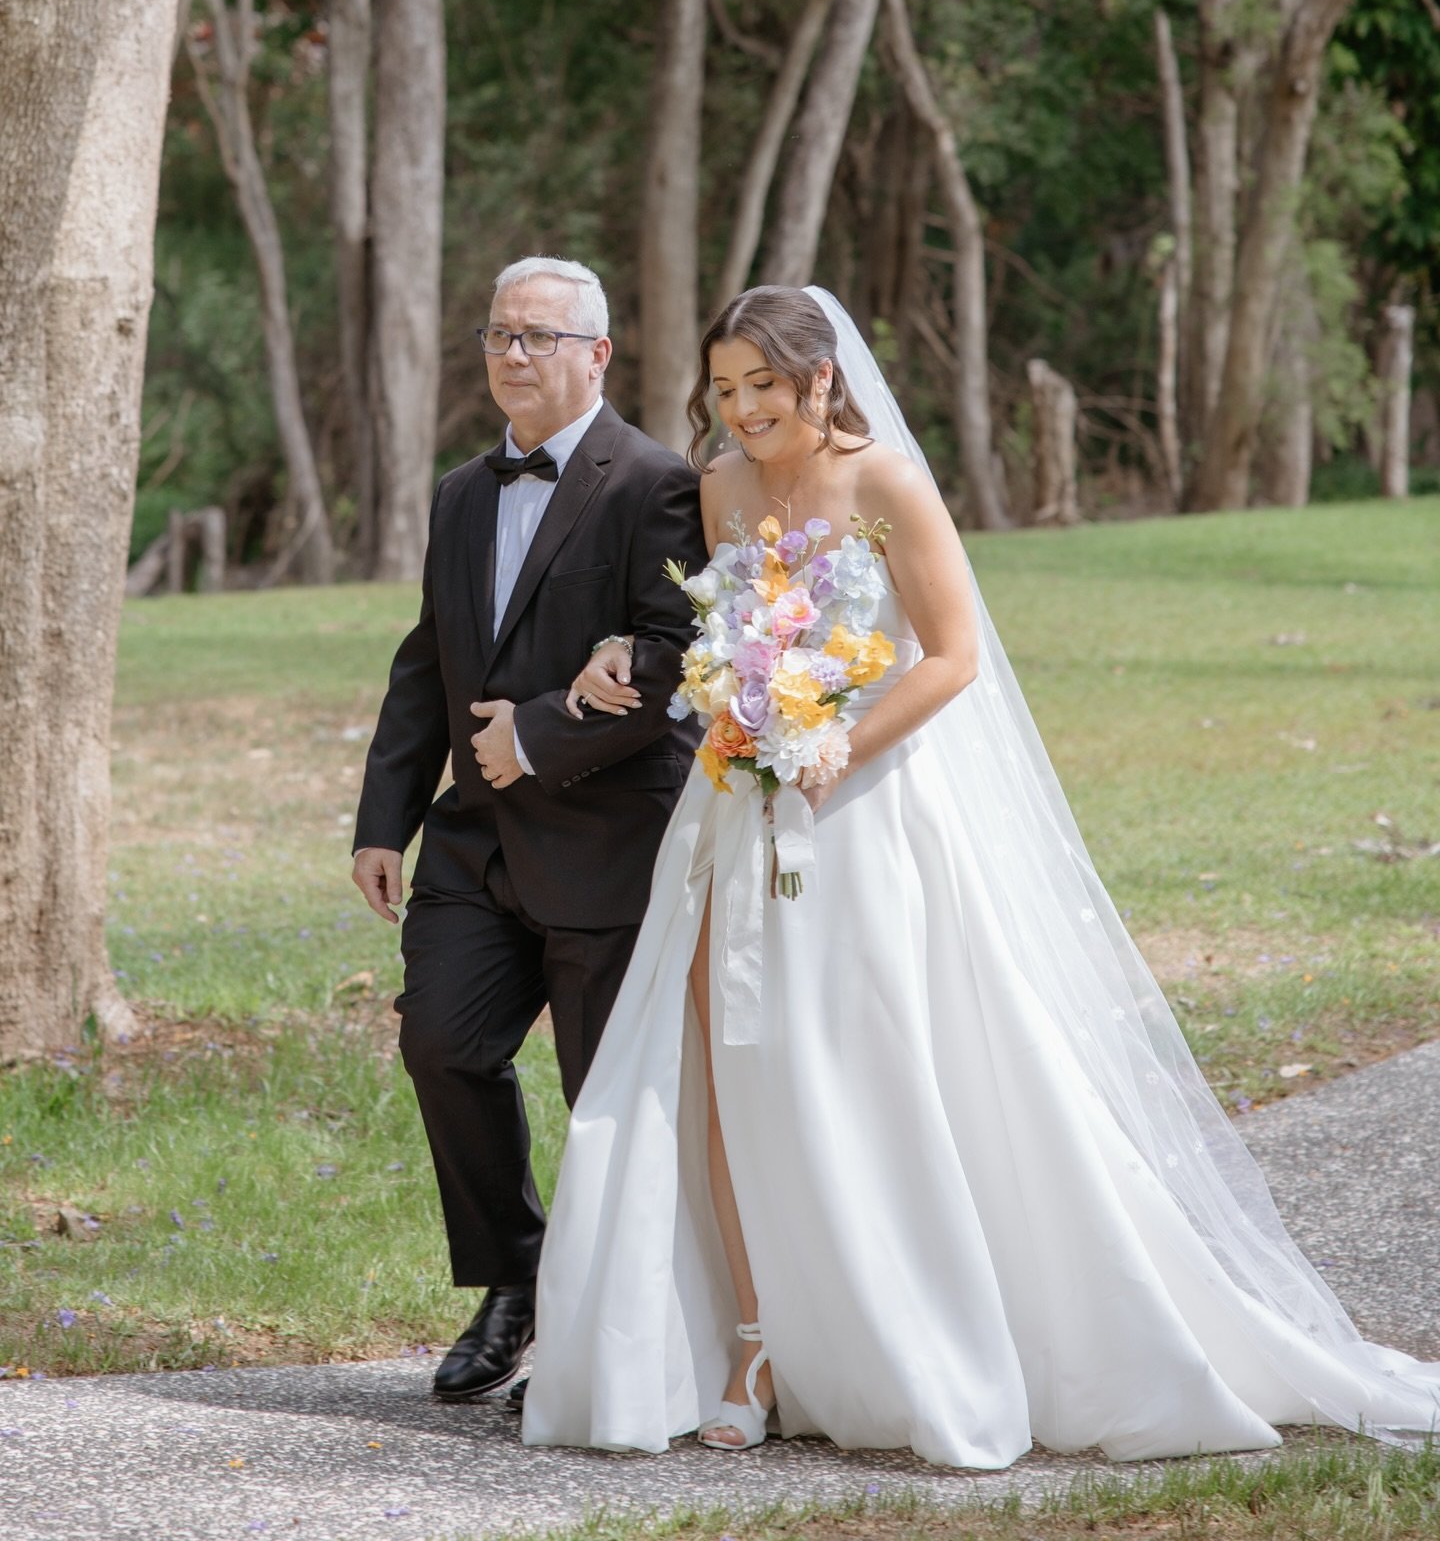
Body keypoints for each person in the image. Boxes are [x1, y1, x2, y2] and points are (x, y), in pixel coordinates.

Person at [519, 283, 1440, 1466]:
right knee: (721, 1062)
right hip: (737, 804)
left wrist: (834, 739)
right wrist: (712, 692)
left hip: (864, 805)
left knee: (864, 1061)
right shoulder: (723, 488)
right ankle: (755, 1344)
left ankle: (915, 1327)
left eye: (763, 386)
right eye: (725, 388)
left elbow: (950, 657)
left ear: (820, 381)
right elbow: (719, 629)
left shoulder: (885, 482)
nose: (741, 410)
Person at [351, 257, 706, 1405]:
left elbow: (679, 657)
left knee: (601, 1093)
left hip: (609, 843)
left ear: (596, 355)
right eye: (499, 333)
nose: (512, 353)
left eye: (538, 336)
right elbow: (429, 660)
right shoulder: (462, 491)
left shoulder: (654, 482)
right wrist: (383, 820)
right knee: (442, 1045)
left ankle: (614, 1335)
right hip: (472, 846)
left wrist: (543, 734)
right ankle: (514, 1274)